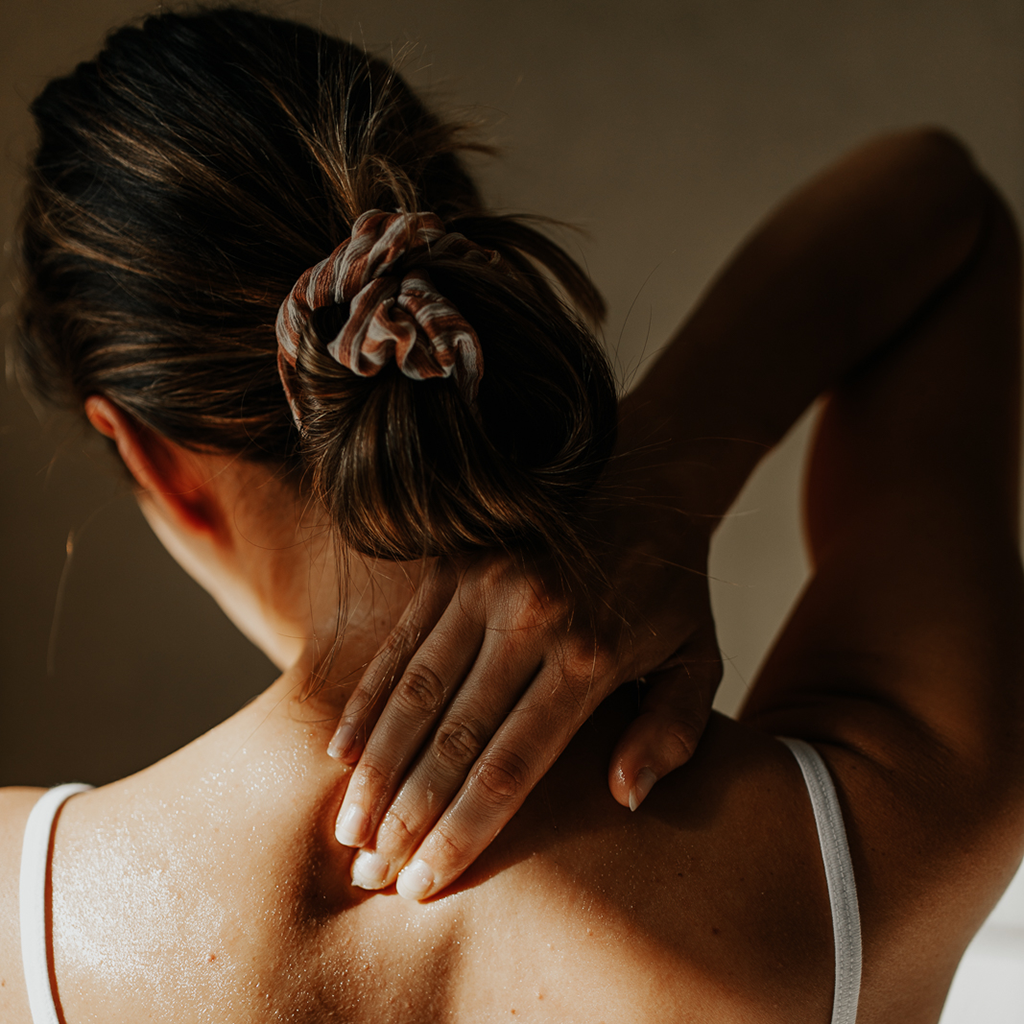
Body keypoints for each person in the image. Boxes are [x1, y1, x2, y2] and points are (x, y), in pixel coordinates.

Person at [1, 7, 1022, 1021]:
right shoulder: (869, 834)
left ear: (149, 455)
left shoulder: (31, 923)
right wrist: (662, 472)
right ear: (458, 301)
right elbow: (940, 203)